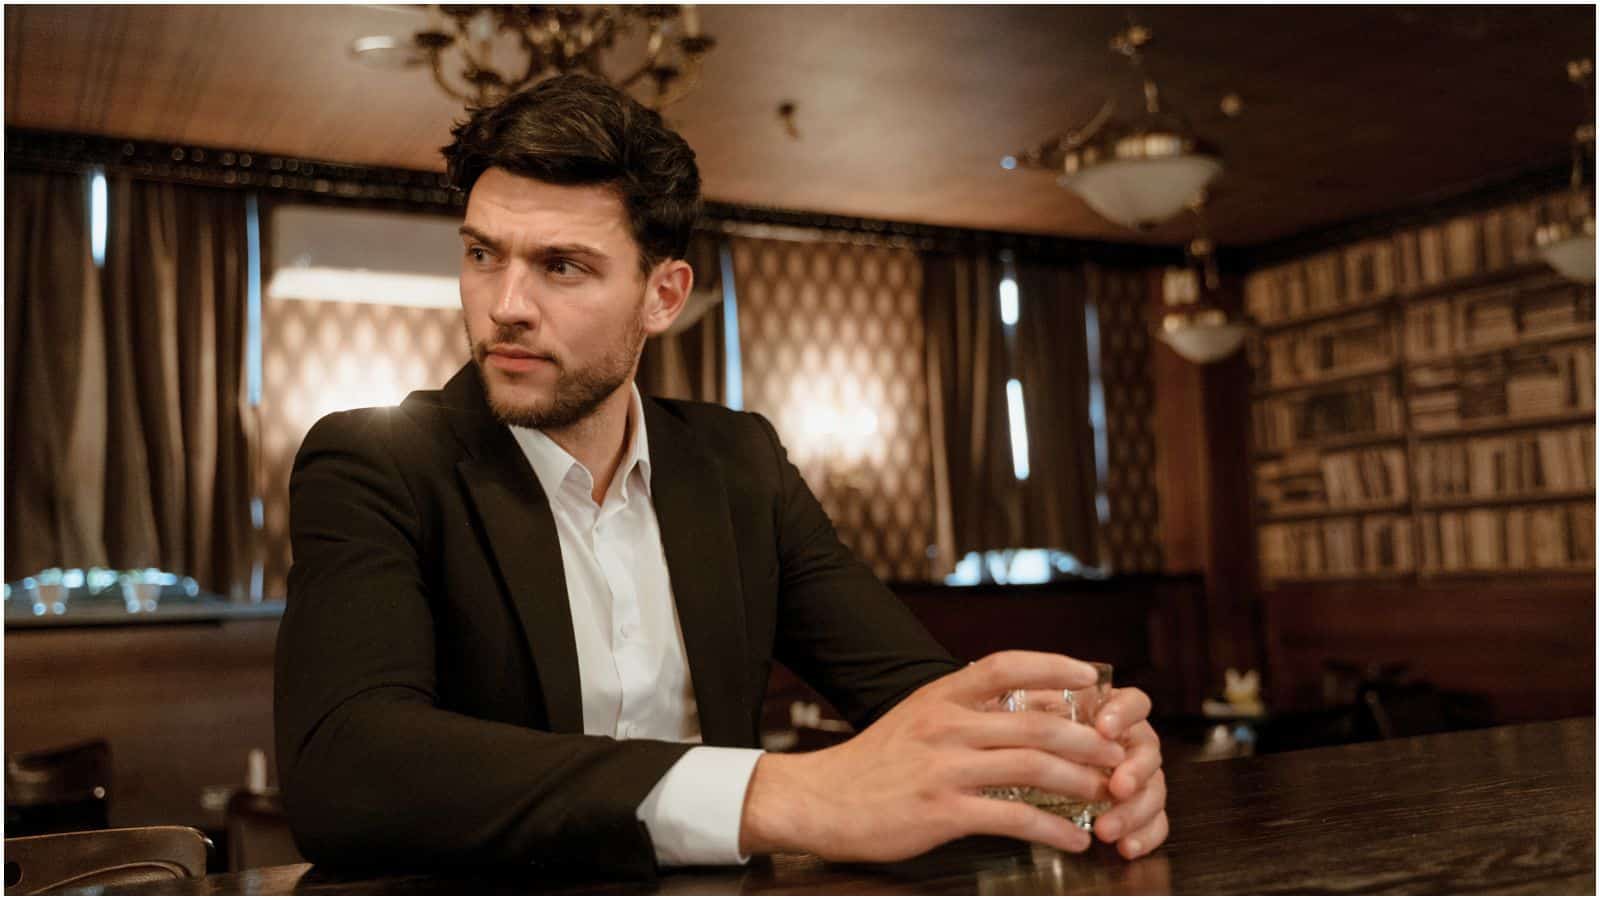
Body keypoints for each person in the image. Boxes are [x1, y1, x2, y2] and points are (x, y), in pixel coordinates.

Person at [274, 73, 1168, 879]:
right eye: (483, 255)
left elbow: (920, 705)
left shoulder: (739, 466)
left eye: (561, 266)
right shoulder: (374, 462)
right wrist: (777, 795)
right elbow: (345, 767)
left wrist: (1079, 767)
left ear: (663, 295)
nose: (505, 305)